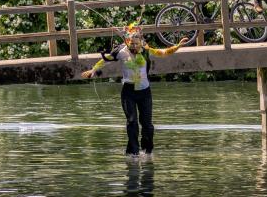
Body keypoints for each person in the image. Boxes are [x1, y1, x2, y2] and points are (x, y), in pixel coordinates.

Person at [80, 25, 189, 157]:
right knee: (132, 121)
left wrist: (178, 46)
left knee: (147, 125)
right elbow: (104, 60)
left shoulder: (146, 50)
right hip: (128, 92)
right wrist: (93, 70)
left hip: (144, 92)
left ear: (141, 42)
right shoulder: (121, 51)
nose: (135, 46)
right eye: (132, 44)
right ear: (127, 42)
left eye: (137, 44)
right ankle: (134, 153)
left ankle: (148, 151)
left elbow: (164, 52)